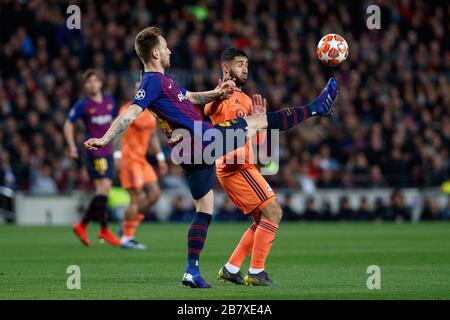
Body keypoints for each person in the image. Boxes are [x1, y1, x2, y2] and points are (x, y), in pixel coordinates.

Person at [84, 27, 338, 288]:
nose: (171, 50)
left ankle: (191, 271)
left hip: (188, 154)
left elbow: (190, 97)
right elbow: (131, 113)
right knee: (258, 120)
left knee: (204, 210)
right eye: (166, 47)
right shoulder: (151, 82)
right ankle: (317, 107)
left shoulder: (166, 82)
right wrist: (105, 138)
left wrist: (216, 94)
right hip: (201, 140)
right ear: (156, 53)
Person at [205, 48, 284, 286]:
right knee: (274, 212)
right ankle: (257, 272)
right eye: (240, 64)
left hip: (244, 163)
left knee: (263, 218)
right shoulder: (220, 96)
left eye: (247, 64)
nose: (245, 68)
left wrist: (259, 121)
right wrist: (216, 95)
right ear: (227, 68)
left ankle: (231, 268)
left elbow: (256, 142)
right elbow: (208, 111)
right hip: (233, 165)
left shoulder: (248, 101)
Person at [64, 69, 120, 246]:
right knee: (103, 187)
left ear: (101, 83)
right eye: (89, 82)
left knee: (103, 191)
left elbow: (117, 125)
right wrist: (72, 146)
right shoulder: (83, 104)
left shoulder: (110, 101)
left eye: (95, 81)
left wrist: (118, 151)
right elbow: (68, 124)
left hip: (109, 152)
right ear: (85, 86)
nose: (92, 84)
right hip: (94, 152)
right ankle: (103, 229)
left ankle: (83, 225)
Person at [116, 80, 168, 250]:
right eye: (138, 86)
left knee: (154, 194)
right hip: (129, 159)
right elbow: (118, 131)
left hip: (142, 160)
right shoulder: (128, 109)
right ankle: (127, 238)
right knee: (136, 198)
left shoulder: (150, 112)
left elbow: (153, 136)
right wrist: (117, 155)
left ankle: (127, 225)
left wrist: (160, 157)